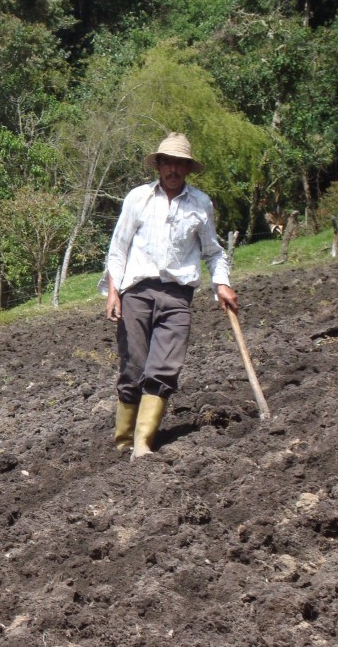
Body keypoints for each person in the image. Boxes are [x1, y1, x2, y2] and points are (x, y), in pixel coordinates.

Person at [100, 132, 238, 460]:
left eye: (180, 163)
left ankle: (143, 444)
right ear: (159, 165)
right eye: (168, 162)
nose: (173, 169)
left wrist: (222, 283)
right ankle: (123, 439)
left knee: (164, 368)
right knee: (133, 367)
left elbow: (213, 252)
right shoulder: (138, 199)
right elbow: (118, 249)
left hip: (178, 297)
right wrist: (113, 292)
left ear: (187, 168)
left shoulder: (201, 204)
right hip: (137, 291)